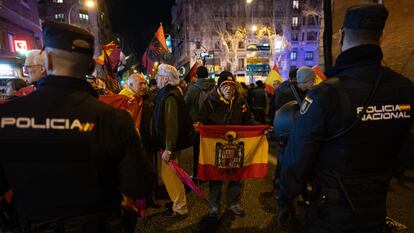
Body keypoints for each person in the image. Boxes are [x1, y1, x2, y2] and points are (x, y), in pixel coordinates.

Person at [0, 21, 156, 233]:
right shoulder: (114, 119)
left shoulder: (7, 115)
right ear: (91, 66)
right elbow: (140, 186)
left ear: (45, 60)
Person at [277, 4, 414, 233]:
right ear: (381, 37)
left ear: (341, 35)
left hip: (330, 210)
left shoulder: (326, 94)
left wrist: (285, 198)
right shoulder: (405, 89)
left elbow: (298, 155)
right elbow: (406, 148)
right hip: (376, 203)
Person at [199, 71, 255, 220]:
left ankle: (233, 203)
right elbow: (202, 120)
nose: (229, 89)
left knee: (237, 177)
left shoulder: (241, 102)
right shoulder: (210, 102)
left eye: (231, 85)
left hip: (237, 147)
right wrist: (198, 126)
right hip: (217, 148)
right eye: (225, 86)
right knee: (216, 177)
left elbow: (249, 121)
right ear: (219, 87)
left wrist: (261, 128)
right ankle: (214, 206)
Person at [153, 64, 194, 219]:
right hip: (168, 144)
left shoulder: (169, 96)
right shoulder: (168, 93)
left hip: (169, 145)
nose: (156, 78)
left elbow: (171, 124)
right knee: (172, 174)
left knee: (171, 175)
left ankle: (180, 207)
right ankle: (177, 201)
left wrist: (169, 148)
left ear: (166, 79)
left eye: (159, 76)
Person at [184, 66, 215, 179]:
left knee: (197, 150)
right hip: (211, 124)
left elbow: (185, 105)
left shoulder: (194, 88)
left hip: (197, 125)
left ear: (196, 75)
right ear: (207, 75)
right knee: (209, 149)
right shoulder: (214, 87)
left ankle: (197, 173)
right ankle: (210, 172)